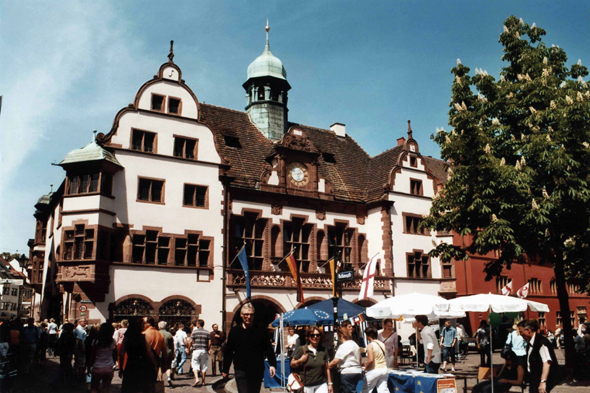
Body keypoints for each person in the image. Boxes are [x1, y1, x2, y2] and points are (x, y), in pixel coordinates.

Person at [223, 302, 276, 393]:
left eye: (251, 314)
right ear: (241, 314)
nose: (248, 317)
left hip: (256, 369)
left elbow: (268, 348)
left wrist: (272, 364)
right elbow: (229, 351)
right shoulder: (235, 331)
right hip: (240, 369)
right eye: (246, 314)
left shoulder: (261, 329)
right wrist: (225, 369)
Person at [119, 317, 158, 393]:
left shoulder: (126, 338)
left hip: (130, 364)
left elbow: (121, 353)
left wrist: (121, 368)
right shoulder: (143, 337)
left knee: (129, 388)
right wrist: (154, 364)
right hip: (142, 364)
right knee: (141, 387)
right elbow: (149, 352)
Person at [520, 319, 560, 393]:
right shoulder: (531, 343)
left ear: (528, 330)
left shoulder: (541, 342)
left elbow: (547, 363)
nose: (520, 335)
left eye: (521, 332)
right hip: (534, 379)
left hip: (542, 379)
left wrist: (543, 382)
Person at [291, 326, 332, 393]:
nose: (315, 337)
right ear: (308, 337)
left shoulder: (323, 350)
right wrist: (300, 360)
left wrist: (330, 383)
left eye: (317, 335)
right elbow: (292, 364)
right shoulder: (302, 349)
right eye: (312, 335)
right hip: (306, 385)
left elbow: (326, 368)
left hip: (321, 384)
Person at [328, 320, 362, 393]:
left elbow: (335, 361)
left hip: (347, 372)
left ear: (342, 336)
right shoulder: (355, 344)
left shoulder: (344, 346)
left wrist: (326, 366)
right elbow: (360, 358)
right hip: (357, 371)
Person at [88, 323, 116, 393]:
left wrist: (89, 367)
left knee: (94, 388)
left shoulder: (95, 342)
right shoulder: (113, 341)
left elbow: (92, 355)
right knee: (106, 388)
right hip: (109, 367)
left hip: (97, 367)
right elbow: (114, 353)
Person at [50, 322, 77, 389]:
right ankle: (54, 381)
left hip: (63, 353)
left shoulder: (63, 334)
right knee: (65, 367)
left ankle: (69, 382)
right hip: (68, 353)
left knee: (65, 367)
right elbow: (72, 344)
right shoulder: (71, 335)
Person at [362, 327, 388, 393]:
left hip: (374, 370)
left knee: (366, 391)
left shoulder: (370, 345)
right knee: (383, 390)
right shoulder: (382, 344)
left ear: (368, 336)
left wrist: (365, 367)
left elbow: (371, 360)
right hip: (384, 369)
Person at [187, 319, 210, 387]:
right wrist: (208, 349)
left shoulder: (194, 332)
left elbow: (190, 341)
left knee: (195, 364)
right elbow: (209, 343)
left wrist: (189, 349)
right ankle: (203, 381)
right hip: (204, 350)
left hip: (196, 350)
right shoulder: (207, 332)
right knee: (204, 365)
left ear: (198, 324)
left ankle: (196, 378)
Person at [158, 321, 174, 387]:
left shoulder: (157, 333)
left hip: (159, 353)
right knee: (168, 367)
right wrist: (173, 353)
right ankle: (168, 377)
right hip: (168, 352)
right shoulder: (169, 334)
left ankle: (161, 380)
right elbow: (172, 345)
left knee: (160, 368)